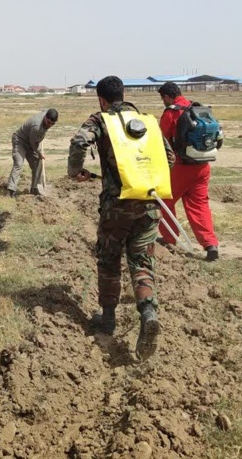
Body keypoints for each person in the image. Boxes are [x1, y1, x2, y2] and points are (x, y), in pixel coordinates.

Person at [68, 76, 175, 360]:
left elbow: (80, 141)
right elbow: (170, 157)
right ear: (124, 94)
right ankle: (148, 312)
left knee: (109, 259)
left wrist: (74, 171)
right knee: (141, 262)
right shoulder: (146, 122)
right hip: (149, 205)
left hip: (116, 208)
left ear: (102, 99)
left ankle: (108, 318)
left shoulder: (102, 121)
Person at [156, 82, 220, 261]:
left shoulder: (171, 113)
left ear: (168, 97)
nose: (163, 102)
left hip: (180, 168)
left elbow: (162, 140)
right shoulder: (197, 108)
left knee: (164, 202)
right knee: (199, 206)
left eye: (162, 98)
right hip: (202, 165)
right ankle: (210, 244)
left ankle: (169, 238)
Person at [6, 109, 57, 197]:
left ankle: (35, 188)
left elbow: (45, 109)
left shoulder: (47, 114)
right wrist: (40, 153)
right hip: (20, 140)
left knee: (38, 162)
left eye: (52, 124)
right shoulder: (36, 126)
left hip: (31, 141)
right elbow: (33, 144)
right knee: (19, 163)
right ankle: (11, 190)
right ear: (45, 117)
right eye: (48, 122)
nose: (50, 125)